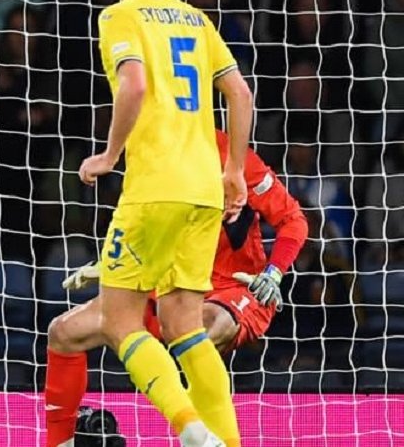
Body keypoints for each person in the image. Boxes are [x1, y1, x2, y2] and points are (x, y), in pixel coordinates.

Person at [76, 0, 253, 447]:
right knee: (184, 326)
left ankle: (191, 430)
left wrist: (109, 156)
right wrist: (234, 170)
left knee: (118, 321)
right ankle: (227, 442)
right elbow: (240, 94)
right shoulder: (196, 18)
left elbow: (133, 85)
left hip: (154, 189)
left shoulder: (119, 15)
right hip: (204, 189)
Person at [45, 130, 308, 447]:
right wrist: (111, 266)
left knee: (197, 330)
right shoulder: (148, 153)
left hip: (233, 286)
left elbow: (293, 219)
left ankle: (202, 433)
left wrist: (274, 272)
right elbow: (141, 225)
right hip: (166, 281)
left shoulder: (232, 157)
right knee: (64, 331)